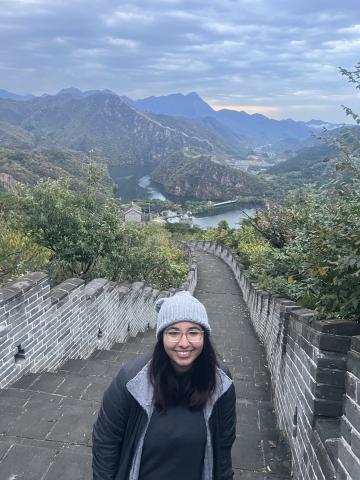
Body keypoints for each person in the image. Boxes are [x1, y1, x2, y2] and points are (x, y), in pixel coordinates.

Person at [92, 290, 236, 480]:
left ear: (204, 337)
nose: (184, 343)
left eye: (193, 332)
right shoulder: (131, 381)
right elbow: (106, 442)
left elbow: (223, 450)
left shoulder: (220, 383)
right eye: (174, 333)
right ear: (162, 337)